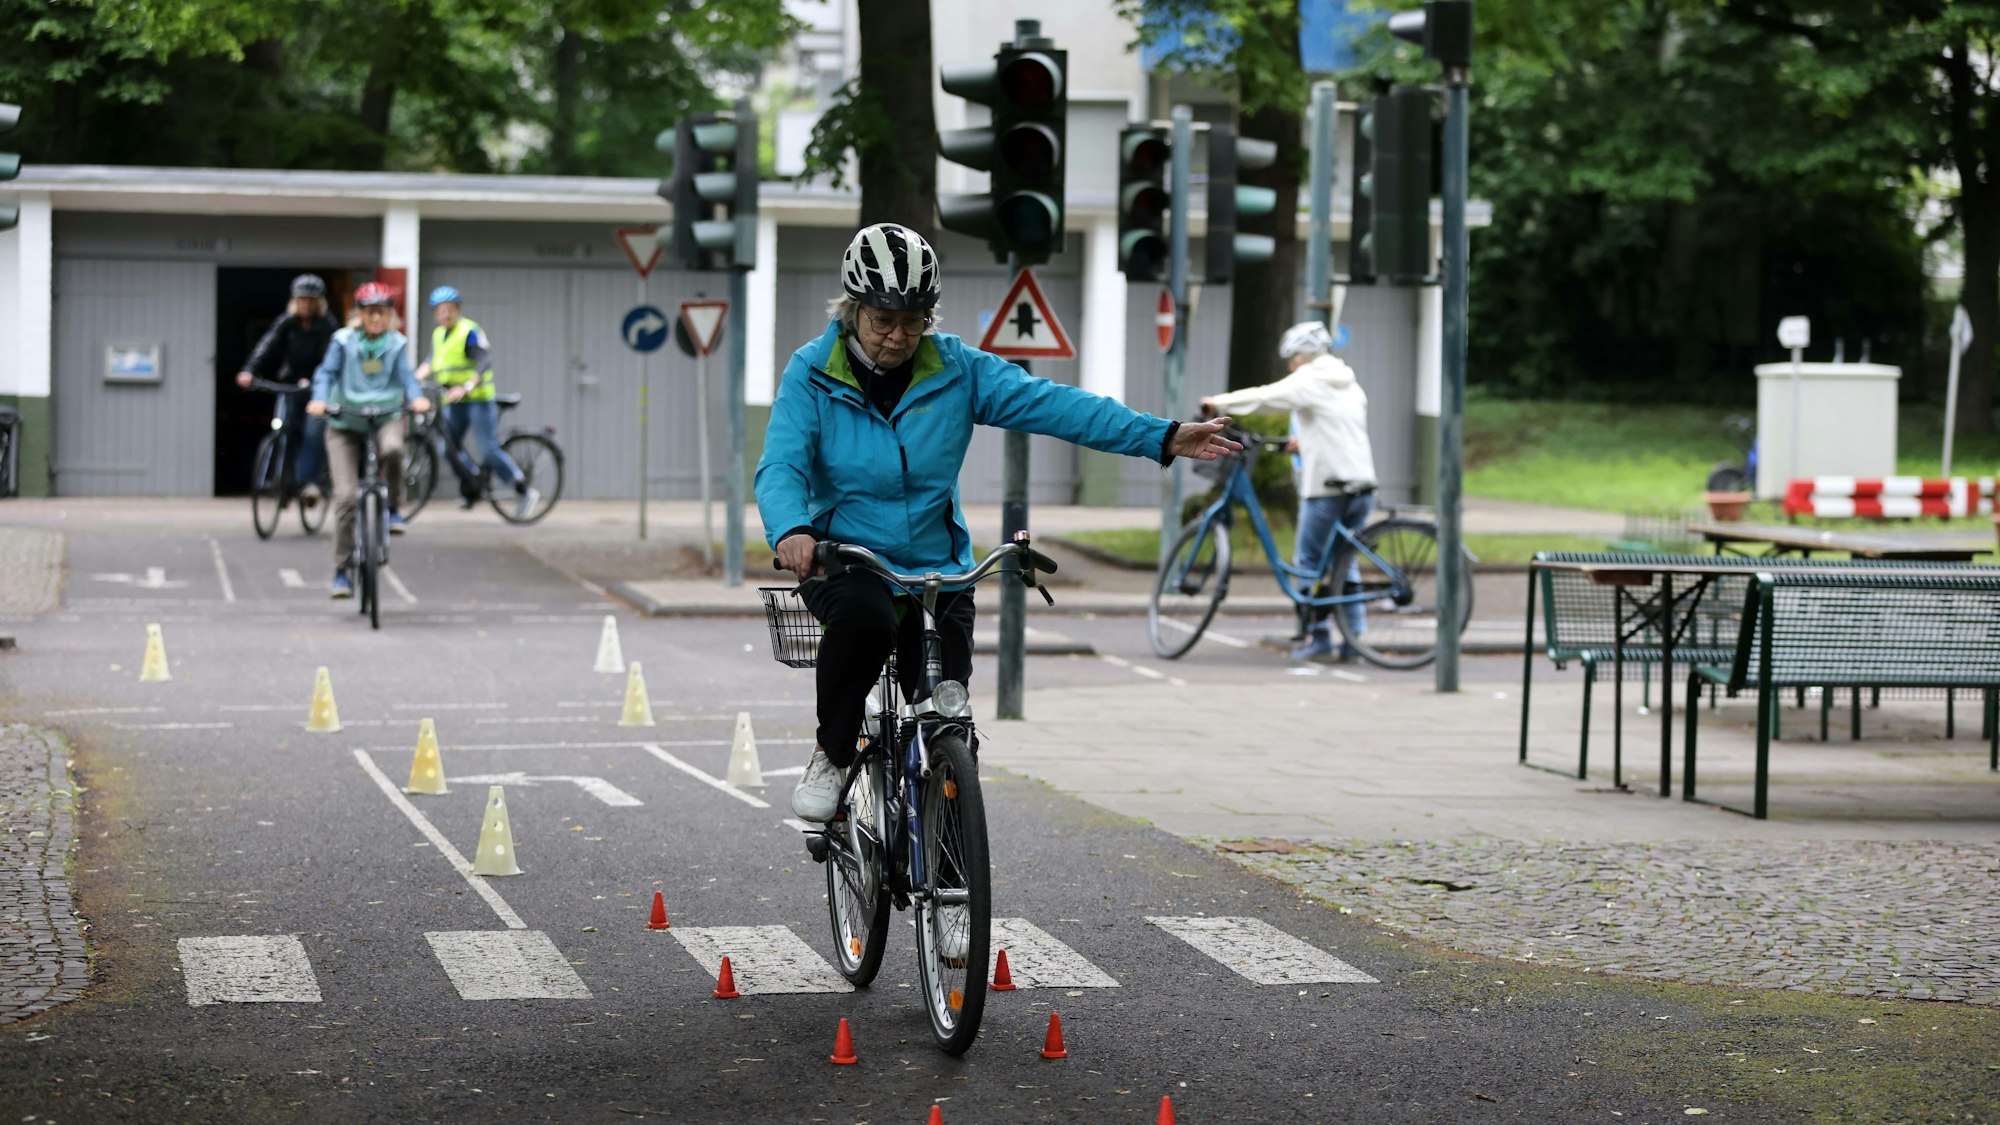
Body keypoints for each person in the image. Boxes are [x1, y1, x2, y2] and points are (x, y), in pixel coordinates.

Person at [758, 222, 1239, 852]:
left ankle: (953, 885)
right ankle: (832, 752)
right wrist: (792, 528)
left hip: (936, 565)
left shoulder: (957, 369)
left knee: (949, 721)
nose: (898, 334)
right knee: (868, 624)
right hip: (845, 555)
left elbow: (1057, 405)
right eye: (882, 319)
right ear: (851, 310)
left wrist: (1161, 435)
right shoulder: (812, 374)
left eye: (913, 319)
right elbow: (782, 464)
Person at [1202, 320, 1377, 663]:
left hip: (1328, 486)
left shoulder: (1310, 379)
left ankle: (1319, 636)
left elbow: (1267, 396)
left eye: (1292, 359)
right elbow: (1337, 426)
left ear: (1301, 356)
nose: (1290, 365)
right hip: (1362, 482)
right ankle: (1354, 639)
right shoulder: (1348, 382)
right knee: (1344, 561)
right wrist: (1305, 443)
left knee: (1308, 562)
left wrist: (1218, 403)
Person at [306, 283, 430, 598]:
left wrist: (416, 399)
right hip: (344, 420)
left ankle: (393, 508)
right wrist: (320, 399)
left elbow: (407, 378)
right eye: (370, 311)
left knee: (393, 448)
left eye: (382, 312)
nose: (376, 317)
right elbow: (325, 373)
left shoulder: (396, 344)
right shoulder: (343, 341)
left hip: (385, 414)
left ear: (389, 316)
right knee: (346, 497)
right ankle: (342, 570)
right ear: (359, 315)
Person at [414, 286, 537, 520]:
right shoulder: (439, 334)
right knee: (447, 448)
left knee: (487, 448)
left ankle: (522, 488)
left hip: (477, 399)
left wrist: (467, 386)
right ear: (435, 314)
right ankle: (472, 484)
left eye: (450, 310)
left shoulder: (468, 331)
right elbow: (431, 361)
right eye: (441, 311)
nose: (446, 314)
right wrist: (414, 378)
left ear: (458, 310)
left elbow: (483, 361)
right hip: (452, 401)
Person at [236, 274, 337, 501]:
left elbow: (329, 358)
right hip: (289, 383)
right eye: (302, 300)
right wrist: (249, 370)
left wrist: (313, 381)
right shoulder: (287, 322)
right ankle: (279, 477)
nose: (306, 305)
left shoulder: (327, 325)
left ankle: (308, 483)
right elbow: (267, 345)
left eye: (311, 300)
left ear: (318, 302)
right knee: (282, 428)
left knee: (313, 431)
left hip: (316, 387)